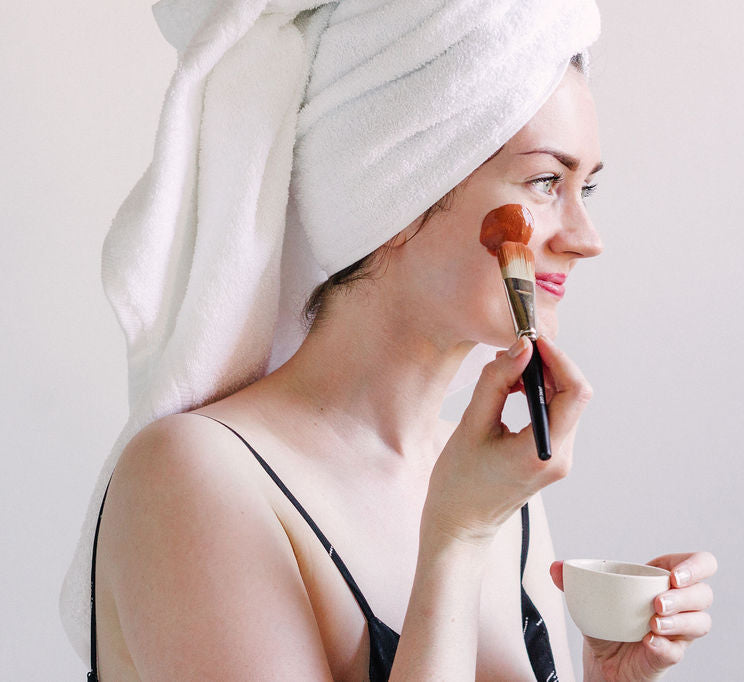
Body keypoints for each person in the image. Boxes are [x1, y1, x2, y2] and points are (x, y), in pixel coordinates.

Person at [67, 2, 717, 679]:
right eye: (546, 181)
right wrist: (458, 538)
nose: (586, 239)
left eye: (588, 188)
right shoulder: (189, 478)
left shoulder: (491, 476)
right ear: (402, 194)